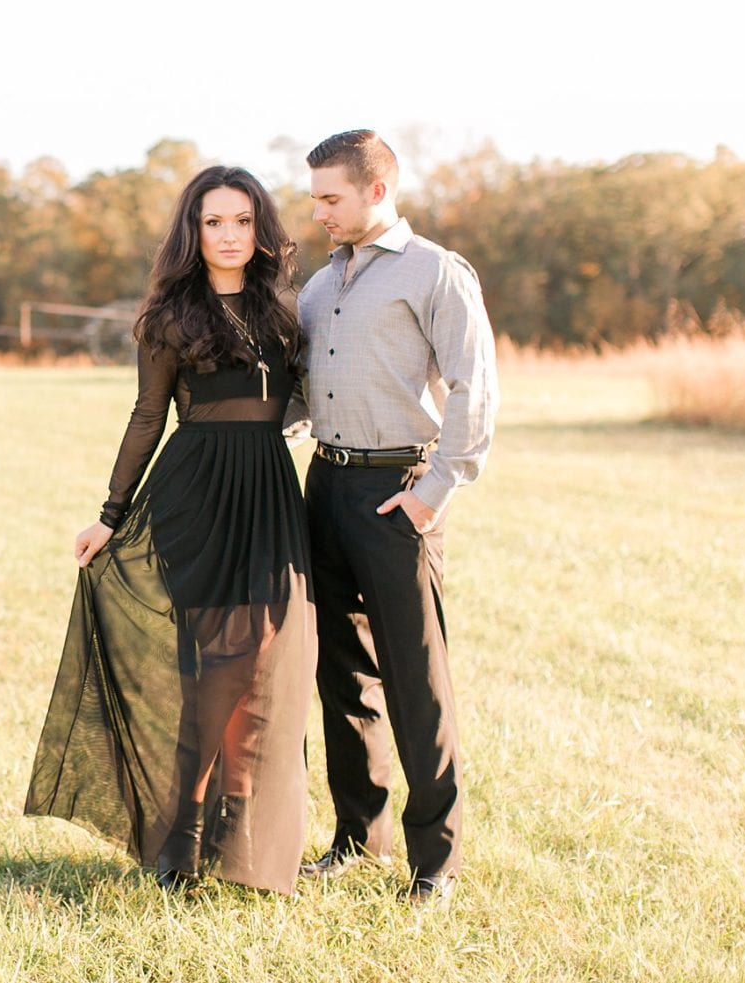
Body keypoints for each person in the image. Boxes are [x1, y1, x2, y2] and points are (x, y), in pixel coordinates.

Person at [25, 165, 316, 895]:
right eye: (214, 221)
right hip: (197, 494)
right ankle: (179, 845)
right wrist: (111, 513)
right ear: (193, 230)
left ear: (261, 228)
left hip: (272, 492)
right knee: (214, 673)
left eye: (242, 221)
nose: (228, 235)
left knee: (263, 667)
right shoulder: (168, 315)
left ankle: (240, 838)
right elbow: (147, 417)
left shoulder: (282, 305)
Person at [286, 129, 499, 906]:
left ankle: (435, 861)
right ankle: (357, 837)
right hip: (326, 488)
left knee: (417, 677)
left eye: (330, 198)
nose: (318, 213)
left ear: (377, 190)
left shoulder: (436, 272)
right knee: (340, 672)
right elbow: (304, 397)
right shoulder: (318, 287)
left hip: (397, 492)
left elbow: (476, 387)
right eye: (314, 198)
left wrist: (434, 489)